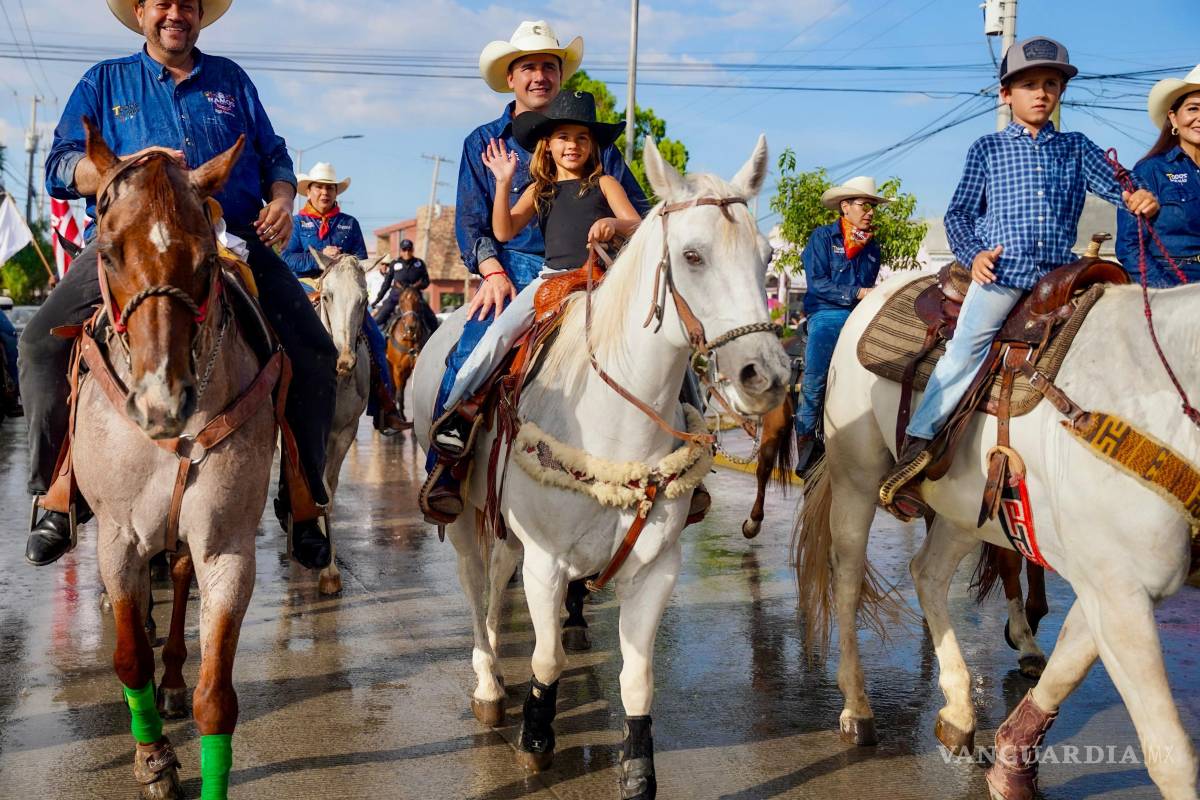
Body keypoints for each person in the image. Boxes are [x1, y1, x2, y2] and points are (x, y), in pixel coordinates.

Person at [21, 0, 337, 570]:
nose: (176, 14)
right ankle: (56, 494)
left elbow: (273, 154)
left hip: (224, 237)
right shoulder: (104, 80)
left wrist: (286, 198)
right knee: (39, 343)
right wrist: (126, 167)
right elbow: (62, 167)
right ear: (140, 13)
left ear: (198, 16)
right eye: (162, 3)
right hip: (129, 244)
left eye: (187, 5)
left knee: (315, 351)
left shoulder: (231, 81)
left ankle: (303, 500)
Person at [881, 36, 1160, 496]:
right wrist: (975, 254)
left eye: (1050, 84)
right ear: (1006, 94)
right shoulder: (987, 149)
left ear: (1061, 93)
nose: (1041, 92)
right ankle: (920, 444)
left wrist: (1136, 197)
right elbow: (959, 214)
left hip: (1060, 274)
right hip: (1005, 274)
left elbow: (1118, 185)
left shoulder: (1075, 147)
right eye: (1028, 84)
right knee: (965, 350)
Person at [422, 20, 649, 521]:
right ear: (510, 78)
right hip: (512, 271)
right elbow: (476, 221)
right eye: (529, 66)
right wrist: (491, 270)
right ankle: (447, 463)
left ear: (561, 76)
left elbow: (640, 212)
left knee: (657, 339)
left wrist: (616, 232)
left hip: (593, 274)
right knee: (474, 346)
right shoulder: (482, 142)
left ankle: (685, 436)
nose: (540, 75)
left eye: (550, 66)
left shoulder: (597, 145)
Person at [432, 90, 640, 466]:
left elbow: (638, 224)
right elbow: (504, 230)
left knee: (650, 333)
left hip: (600, 282)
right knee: (497, 337)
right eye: (563, 137)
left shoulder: (606, 183)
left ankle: (684, 427)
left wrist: (614, 223)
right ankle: (459, 412)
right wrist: (501, 183)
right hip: (552, 281)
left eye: (581, 138)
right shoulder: (538, 189)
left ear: (593, 145)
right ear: (548, 144)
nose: (572, 146)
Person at [283, 162, 407, 433]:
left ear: (336, 192)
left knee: (375, 337)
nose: (325, 192)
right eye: (320, 187)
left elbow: (361, 261)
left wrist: (346, 260)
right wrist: (320, 256)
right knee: (277, 333)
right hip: (307, 290)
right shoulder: (296, 222)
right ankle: (273, 400)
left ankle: (385, 407)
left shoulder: (349, 224)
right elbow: (286, 258)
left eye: (330, 188)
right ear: (309, 191)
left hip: (344, 293)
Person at [793, 176, 889, 474]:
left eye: (873, 206)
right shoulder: (822, 238)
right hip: (827, 312)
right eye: (864, 204)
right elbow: (818, 283)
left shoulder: (873, 248)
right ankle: (807, 436)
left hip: (859, 312)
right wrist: (858, 293)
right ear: (845, 207)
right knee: (817, 372)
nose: (870, 211)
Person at [1116, 64, 1200, 286]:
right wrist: (1167, 294)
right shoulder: (1150, 170)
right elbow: (1129, 247)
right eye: (1193, 109)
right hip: (1173, 287)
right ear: (1173, 118)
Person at [372, 238, 439, 337]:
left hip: (415, 297)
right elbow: (386, 284)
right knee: (378, 319)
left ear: (412, 250)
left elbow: (426, 281)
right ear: (401, 251)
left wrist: (417, 286)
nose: (407, 252)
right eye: (404, 250)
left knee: (433, 320)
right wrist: (378, 300)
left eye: (409, 249)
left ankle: (432, 343)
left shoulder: (419, 263)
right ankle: (379, 346)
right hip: (396, 296)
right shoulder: (394, 264)